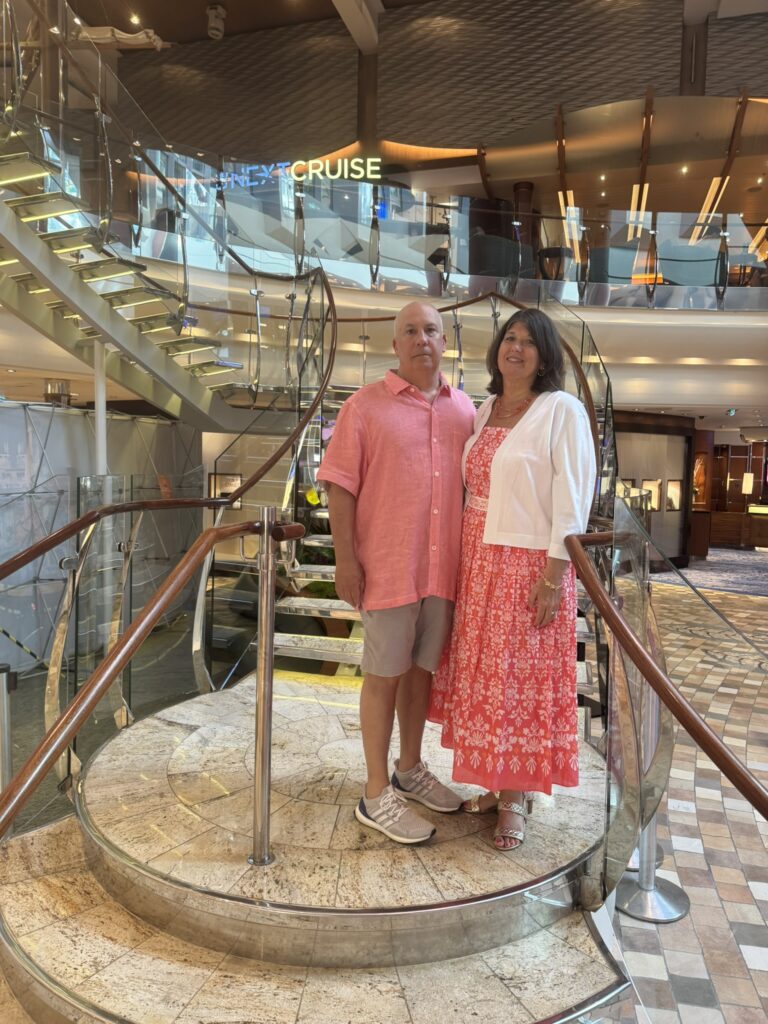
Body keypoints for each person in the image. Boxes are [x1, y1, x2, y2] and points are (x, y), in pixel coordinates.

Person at [428, 307, 596, 850]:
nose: (516, 348)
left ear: (544, 356)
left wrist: (554, 574)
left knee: (520, 682)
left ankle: (517, 797)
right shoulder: (483, 411)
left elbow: (573, 496)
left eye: (529, 341)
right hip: (478, 562)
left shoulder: (559, 410)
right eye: (510, 338)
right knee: (487, 679)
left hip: (529, 564)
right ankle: (496, 782)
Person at [317, 302, 476, 845]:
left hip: (442, 570)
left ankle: (410, 767)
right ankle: (375, 790)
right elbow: (339, 486)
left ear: (444, 341)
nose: (421, 339)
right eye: (409, 331)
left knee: (420, 674)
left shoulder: (464, 411)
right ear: (395, 345)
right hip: (388, 567)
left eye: (430, 329)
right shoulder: (364, 407)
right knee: (383, 676)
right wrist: (345, 559)